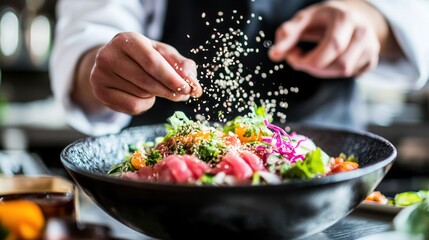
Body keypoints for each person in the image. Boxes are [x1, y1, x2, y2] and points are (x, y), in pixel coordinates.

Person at [50, 0, 429, 136]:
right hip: (159, 195)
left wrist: (369, 18)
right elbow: (87, 36)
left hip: (325, 177)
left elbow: (415, 16)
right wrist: (105, 69)